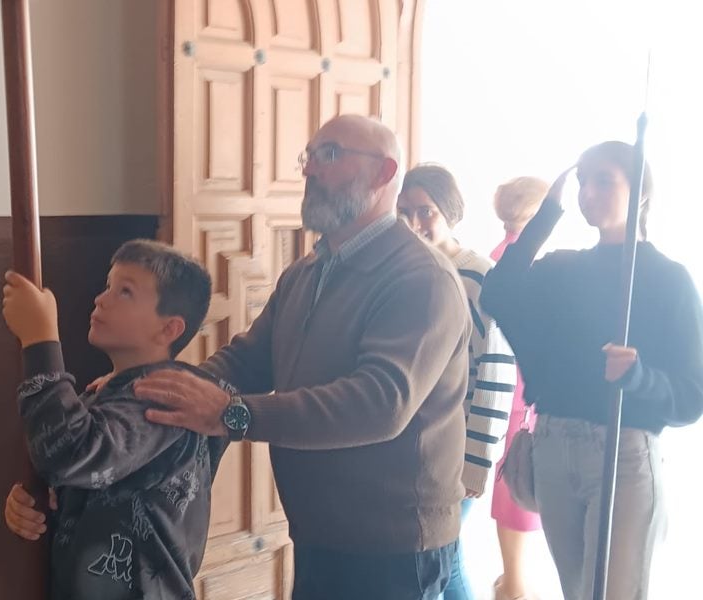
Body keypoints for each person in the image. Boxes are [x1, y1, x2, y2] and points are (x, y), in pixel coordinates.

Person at [123, 115, 471, 599]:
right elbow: (248, 359)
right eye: (308, 156)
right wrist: (145, 389)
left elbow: (379, 403)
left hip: (390, 550)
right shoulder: (309, 270)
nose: (309, 169)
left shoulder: (420, 278)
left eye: (329, 154)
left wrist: (231, 415)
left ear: (383, 173)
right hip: (318, 534)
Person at [480, 142, 703, 600]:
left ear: (641, 191)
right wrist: (547, 213)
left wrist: (639, 376)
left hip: (623, 454)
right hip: (554, 446)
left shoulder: (668, 278)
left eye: (605, 179)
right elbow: (498, 294)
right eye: (582, 179)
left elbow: (691, 396)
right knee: (578, 593)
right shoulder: (564, 268)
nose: (588, 191)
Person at [0, 239, 229, 600]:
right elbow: (71, 469)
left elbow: (74, 451)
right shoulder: (106, 397)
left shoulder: (165, 404)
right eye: (108, 286)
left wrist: (40, 340)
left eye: (124, 292)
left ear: (168, 329)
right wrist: (32, 501)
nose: (101, 299)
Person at [397, 164, 517, 600]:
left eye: (426, 211)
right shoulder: (404, 273)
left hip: (457, 445)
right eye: (404, 210)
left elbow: (497, 371)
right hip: (413, 444)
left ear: (449, 213)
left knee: (445, 557)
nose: (413, 222)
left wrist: (478, 458)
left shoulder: (479, 276)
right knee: (435, 554)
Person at [488, 176, 549, 600]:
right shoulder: (522, 262)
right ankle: (513, 587)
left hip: (512, 395)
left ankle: (512, 583)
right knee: (519, 499)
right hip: (518, 398)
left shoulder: (501, 256)